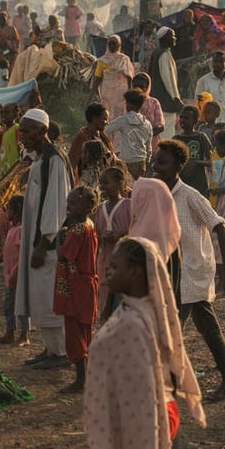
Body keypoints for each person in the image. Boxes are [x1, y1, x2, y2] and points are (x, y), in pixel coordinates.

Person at [85, 237, 206, 449]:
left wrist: (143, 434)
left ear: (135, 273)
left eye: (115, 267)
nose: (107, 271)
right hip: (154, 412)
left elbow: (143, 390)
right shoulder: (141, 310)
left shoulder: (135, 323)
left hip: (147, 417)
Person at [151, 139, 225, 402]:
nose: (156, 166)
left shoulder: (190, 196)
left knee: (170, 331)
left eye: (162, 163)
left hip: (191, 272)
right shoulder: (158, 194)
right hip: (171, 272)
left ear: (178, 166)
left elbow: (221, 228)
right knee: (207, 327)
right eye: (156, 161)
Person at [16, 108, 72, 369]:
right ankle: (50, 348)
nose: (22, 136)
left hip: (47, 244)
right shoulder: (40, 158)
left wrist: (43, 242)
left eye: (27, 131)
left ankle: (60, 352)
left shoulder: (54, 160)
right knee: (39, 296)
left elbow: (56, 204)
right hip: (36, 240)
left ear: (43, 131)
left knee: (49, 297)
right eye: (21, 131)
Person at [54, 186, 99, 393]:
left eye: (73, 204)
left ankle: (81, 380)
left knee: (74, 334)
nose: (68, 207)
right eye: (68, 203)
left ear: (88, 206)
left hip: (75, 287)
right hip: (84, 285)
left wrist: (60, 238)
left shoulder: (79, 229)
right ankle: (87, 377)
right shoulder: (88, 225)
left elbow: (64, 255)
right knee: (84, 331)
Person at [95, 167, 130, 318]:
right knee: (104, 295)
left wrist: (121, 235)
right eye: (101, 183)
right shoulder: (100, 208)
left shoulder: (128, 205)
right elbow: (96, 233)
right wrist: (101, 238)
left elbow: (135, 230)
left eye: (106, 183)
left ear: (119, 184)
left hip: (124, 260)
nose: (102, 187)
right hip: (105, 260)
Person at [0, 195, 28, 345]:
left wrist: (16, 272)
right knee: (9, 305)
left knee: (21, 305)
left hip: (17, 275)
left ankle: (24, 335)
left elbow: (22, 254)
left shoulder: (20, 230)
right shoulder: (12, 229)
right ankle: (10, 332)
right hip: (10, 276)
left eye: (9, 209)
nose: (6, 212)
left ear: (17, 211)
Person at [106, 88, 153, 179]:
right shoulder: (147, 124)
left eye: (127, 103)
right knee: (138, 186)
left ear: (129, 105)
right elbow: (148, 147)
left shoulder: (123, 120)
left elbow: (107, 129)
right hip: (141, 162)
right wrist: (147, 161)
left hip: (126, 161)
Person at [67, 103, 114, 184]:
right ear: (94, 118)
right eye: (104, 119)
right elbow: (72, 164)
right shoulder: (81, 138)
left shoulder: (104, 138)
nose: (107, 122)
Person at [92, 34, 135, 120]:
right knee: (107, 116)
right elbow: (98, 79)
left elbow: (129, 78)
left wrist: (130, 92)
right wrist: (93, 94)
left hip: (121, 95)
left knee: (121, 116)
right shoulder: (102, 61)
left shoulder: (124, 60)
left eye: (114, 44)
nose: (112, 46)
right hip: (107, 95)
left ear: (119, 45)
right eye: (110, 44)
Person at [176, 105, 213, 195]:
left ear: (195, 121)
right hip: (181, 183)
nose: (182, 120)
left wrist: (196, 162)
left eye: (186, 118)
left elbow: (211, 161)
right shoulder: (176, 139)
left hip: (199, 184)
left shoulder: (201, 137)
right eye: (181, 117)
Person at [148, 26, 184, 117]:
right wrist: (175, 98)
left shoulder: (157, 52)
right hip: (165, 100)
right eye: (172, 36)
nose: (174, 38)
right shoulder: (164, 54)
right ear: (165, 38)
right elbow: (168, 80)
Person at [133, 72, 165, 150]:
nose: (138, 90)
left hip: (151, 144)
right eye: (135, 86)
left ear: (147, 87)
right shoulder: (128, 102)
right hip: (132, 144)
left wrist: (146, 135)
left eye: (141, 87)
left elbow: (160, 127)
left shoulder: (154, 102)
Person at [0, 11, 19, 85]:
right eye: (0, 19)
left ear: (7, 19)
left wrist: (7, 43)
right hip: (0, 54)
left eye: (3, 18)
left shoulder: (12, 29)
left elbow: (17, 42)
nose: (1, 20)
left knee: (12, 72)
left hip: (11, 54)